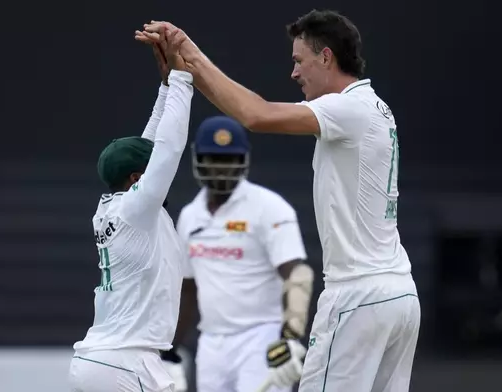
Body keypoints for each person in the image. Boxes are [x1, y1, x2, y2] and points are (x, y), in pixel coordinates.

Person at [136, 9, 421, 392]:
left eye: (298, 61)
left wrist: (191, 57)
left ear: (326, 57)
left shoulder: (347, 108)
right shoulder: (374, 107)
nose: (294, 73)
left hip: (358, 294)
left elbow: (255, 115)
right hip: (399, 293)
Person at [68, 39, 194, 392]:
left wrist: (166, 86)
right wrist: (183, 82)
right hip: (125, 362)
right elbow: (167, 149)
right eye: (148, 171)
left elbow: (148, 145)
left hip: (103, 359)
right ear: (137, 179)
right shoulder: (137, 209)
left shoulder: (115, 206)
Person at [159, 114, 314, 392]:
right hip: (211, 343)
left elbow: (297, 273)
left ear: (243, 161)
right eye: (213, 161)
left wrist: (290, 335)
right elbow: (188, 290)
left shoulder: (269, 208)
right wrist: (170, 349)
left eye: (228, 161)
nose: (220, 170)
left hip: (262, 338)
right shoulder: (190, 216)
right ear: (198, 160)